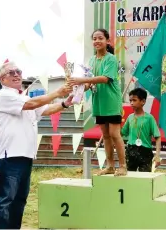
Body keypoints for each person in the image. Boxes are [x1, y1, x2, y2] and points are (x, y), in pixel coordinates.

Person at [0, 61, 73, 229]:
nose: (16, 74)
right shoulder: (4, 95)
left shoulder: (24, 97)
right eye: (11, 72)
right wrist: (57, 92)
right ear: (2, 79)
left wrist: (65, 103)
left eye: (18, 71)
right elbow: (32, 104)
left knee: (20, 199)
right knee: (6, 199)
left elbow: (45, 110)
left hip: (26, 155)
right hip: (10, 156)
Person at [68, 28, 127, 176]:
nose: (97, 41)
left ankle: (123, 166)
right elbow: (90, 83)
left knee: (115, 134)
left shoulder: (111, 59)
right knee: (105, 136)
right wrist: (79, 90)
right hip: (98, 103)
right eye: (94, 38)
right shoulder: (92, 60)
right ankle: (110, 166)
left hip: (112, 102)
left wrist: (82, 80)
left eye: (100, 38)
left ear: (107, 41)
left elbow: (105, 79)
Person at [121, 88, 161, 172]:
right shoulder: (130, 117)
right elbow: (121, 134)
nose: (131, 103)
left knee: (145, 178)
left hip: (145, 151)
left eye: (134, 100)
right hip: (130, 151)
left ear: (143, 101)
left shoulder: (149, 118)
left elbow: (157, 137)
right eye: (130, 100)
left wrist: (157, 155)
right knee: (129, 177)